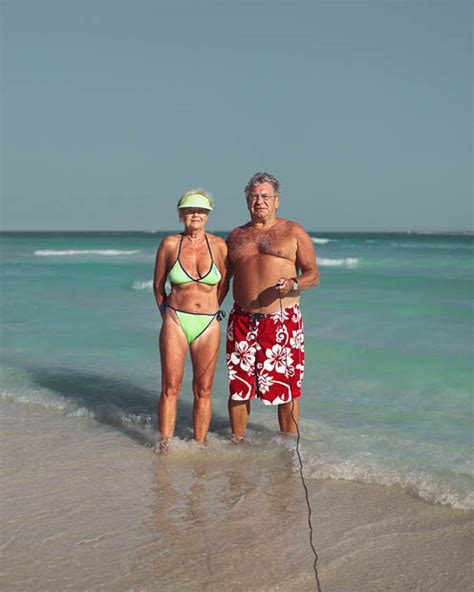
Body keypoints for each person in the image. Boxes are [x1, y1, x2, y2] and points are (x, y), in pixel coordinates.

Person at [226, 172, 319, 442]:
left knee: (286, 389)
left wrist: (294, 283)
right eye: (254, 196)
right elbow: (223, 280)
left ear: (276, 201)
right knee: (238, 387)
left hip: (281, 320)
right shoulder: (236, 236)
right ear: (246, 202)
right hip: (241, 320)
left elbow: (313, 274)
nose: (259, 201)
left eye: (265, 196)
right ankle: (237, 445)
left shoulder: (293, 231)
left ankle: (289, 448)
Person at [153, 189, 228, 452]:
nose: (196, 215)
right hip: (175, 321)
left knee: (204, 389)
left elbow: (223, 285)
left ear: (208, 215)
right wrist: (168, 315)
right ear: (181, 214)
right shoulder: (170, 244)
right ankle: (164, 445)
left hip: (208, 323)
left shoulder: (219, 246)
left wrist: (209, 310)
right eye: (190, 210)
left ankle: (199, 447)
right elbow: (158, 286)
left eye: (201, 211)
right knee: (170, 387)